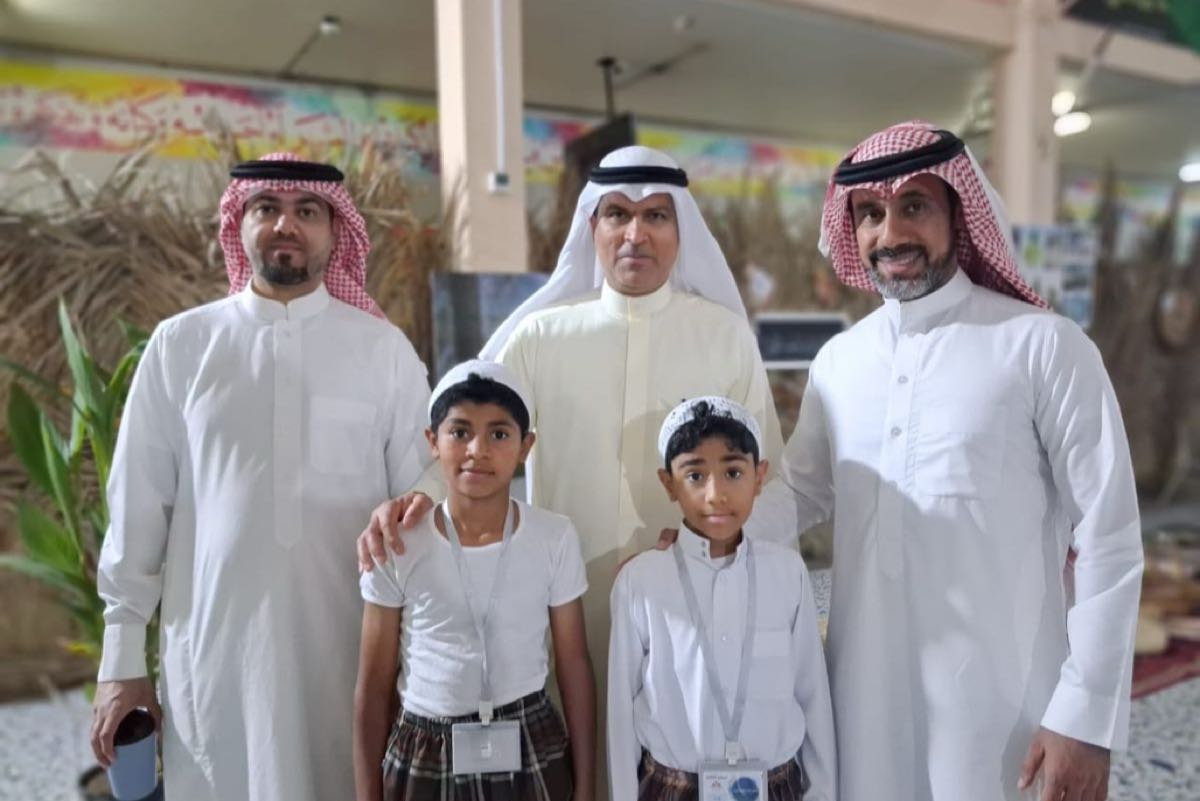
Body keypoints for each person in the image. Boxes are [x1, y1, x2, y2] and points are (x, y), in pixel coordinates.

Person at [357, 145, 784, 796]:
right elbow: (474, 432)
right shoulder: (540, 336)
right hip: (559, 598)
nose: (635, 233)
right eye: (617, 214)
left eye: (656, 216)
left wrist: (722, 553)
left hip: (686, 596)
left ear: (681, 231)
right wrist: (410, 500)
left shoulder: (724, 335)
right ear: (593, 227)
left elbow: (766, 473)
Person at [751, 120, 1143, 801]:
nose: (891, 233)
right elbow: (803, 490)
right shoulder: (840, 362)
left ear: (959, 213)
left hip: (1007, 706)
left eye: (915, 206)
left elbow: (1108, 532)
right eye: (870, 214)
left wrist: (1085, 716)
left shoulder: (1043, 345)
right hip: (862, 697)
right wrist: (707, 541)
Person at [90, 153, 432, 801]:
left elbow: (419, 509)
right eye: (267, 208)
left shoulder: (382, 350)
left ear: (335, 231)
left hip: (349, 653)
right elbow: (138, 510)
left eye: (307, 211)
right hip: (216, 653)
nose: (286, 225)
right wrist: (121, 662)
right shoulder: (181, 346)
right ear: (239, 225)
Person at [354, 360, 595, 801]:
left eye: (499, 434)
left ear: (525, 447)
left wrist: (585, 786)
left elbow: (574, 663)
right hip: (424, 746)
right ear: (433, 441)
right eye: (460, 432)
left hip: (529, 737)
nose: (477, 450)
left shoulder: (553, 537)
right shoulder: (398, 543)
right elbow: (373, 685)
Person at [608, 397, 835, 801]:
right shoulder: (640, 582)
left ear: (759, 476)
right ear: (668, 483)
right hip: (672, 787)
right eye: (695, 475)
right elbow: (620, 715)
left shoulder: (787, 573)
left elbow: (811, 694)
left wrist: (822, 793)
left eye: (732, 472)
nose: (715, 494)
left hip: (774, 785)